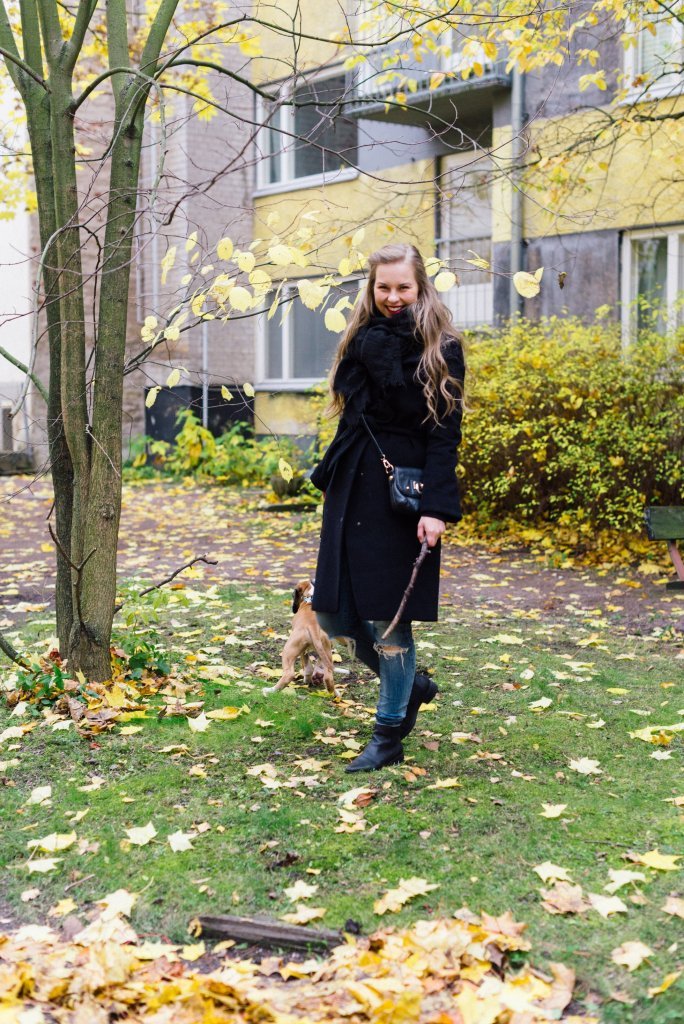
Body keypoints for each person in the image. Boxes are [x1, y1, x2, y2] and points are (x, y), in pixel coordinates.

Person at [310, 242, 466, 772]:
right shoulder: (360, 338)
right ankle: (410, 686)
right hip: (352, 486)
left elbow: (445, 435)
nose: (393, 297)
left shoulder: (442, 348)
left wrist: (436, 509)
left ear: (420, 287)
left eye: (403, 287)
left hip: (403, 495)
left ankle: (388, 733)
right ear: (371, 288)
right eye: (383, 287)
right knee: (332, 612)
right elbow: (351, 418)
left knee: (388, 618)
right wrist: (331, 477)